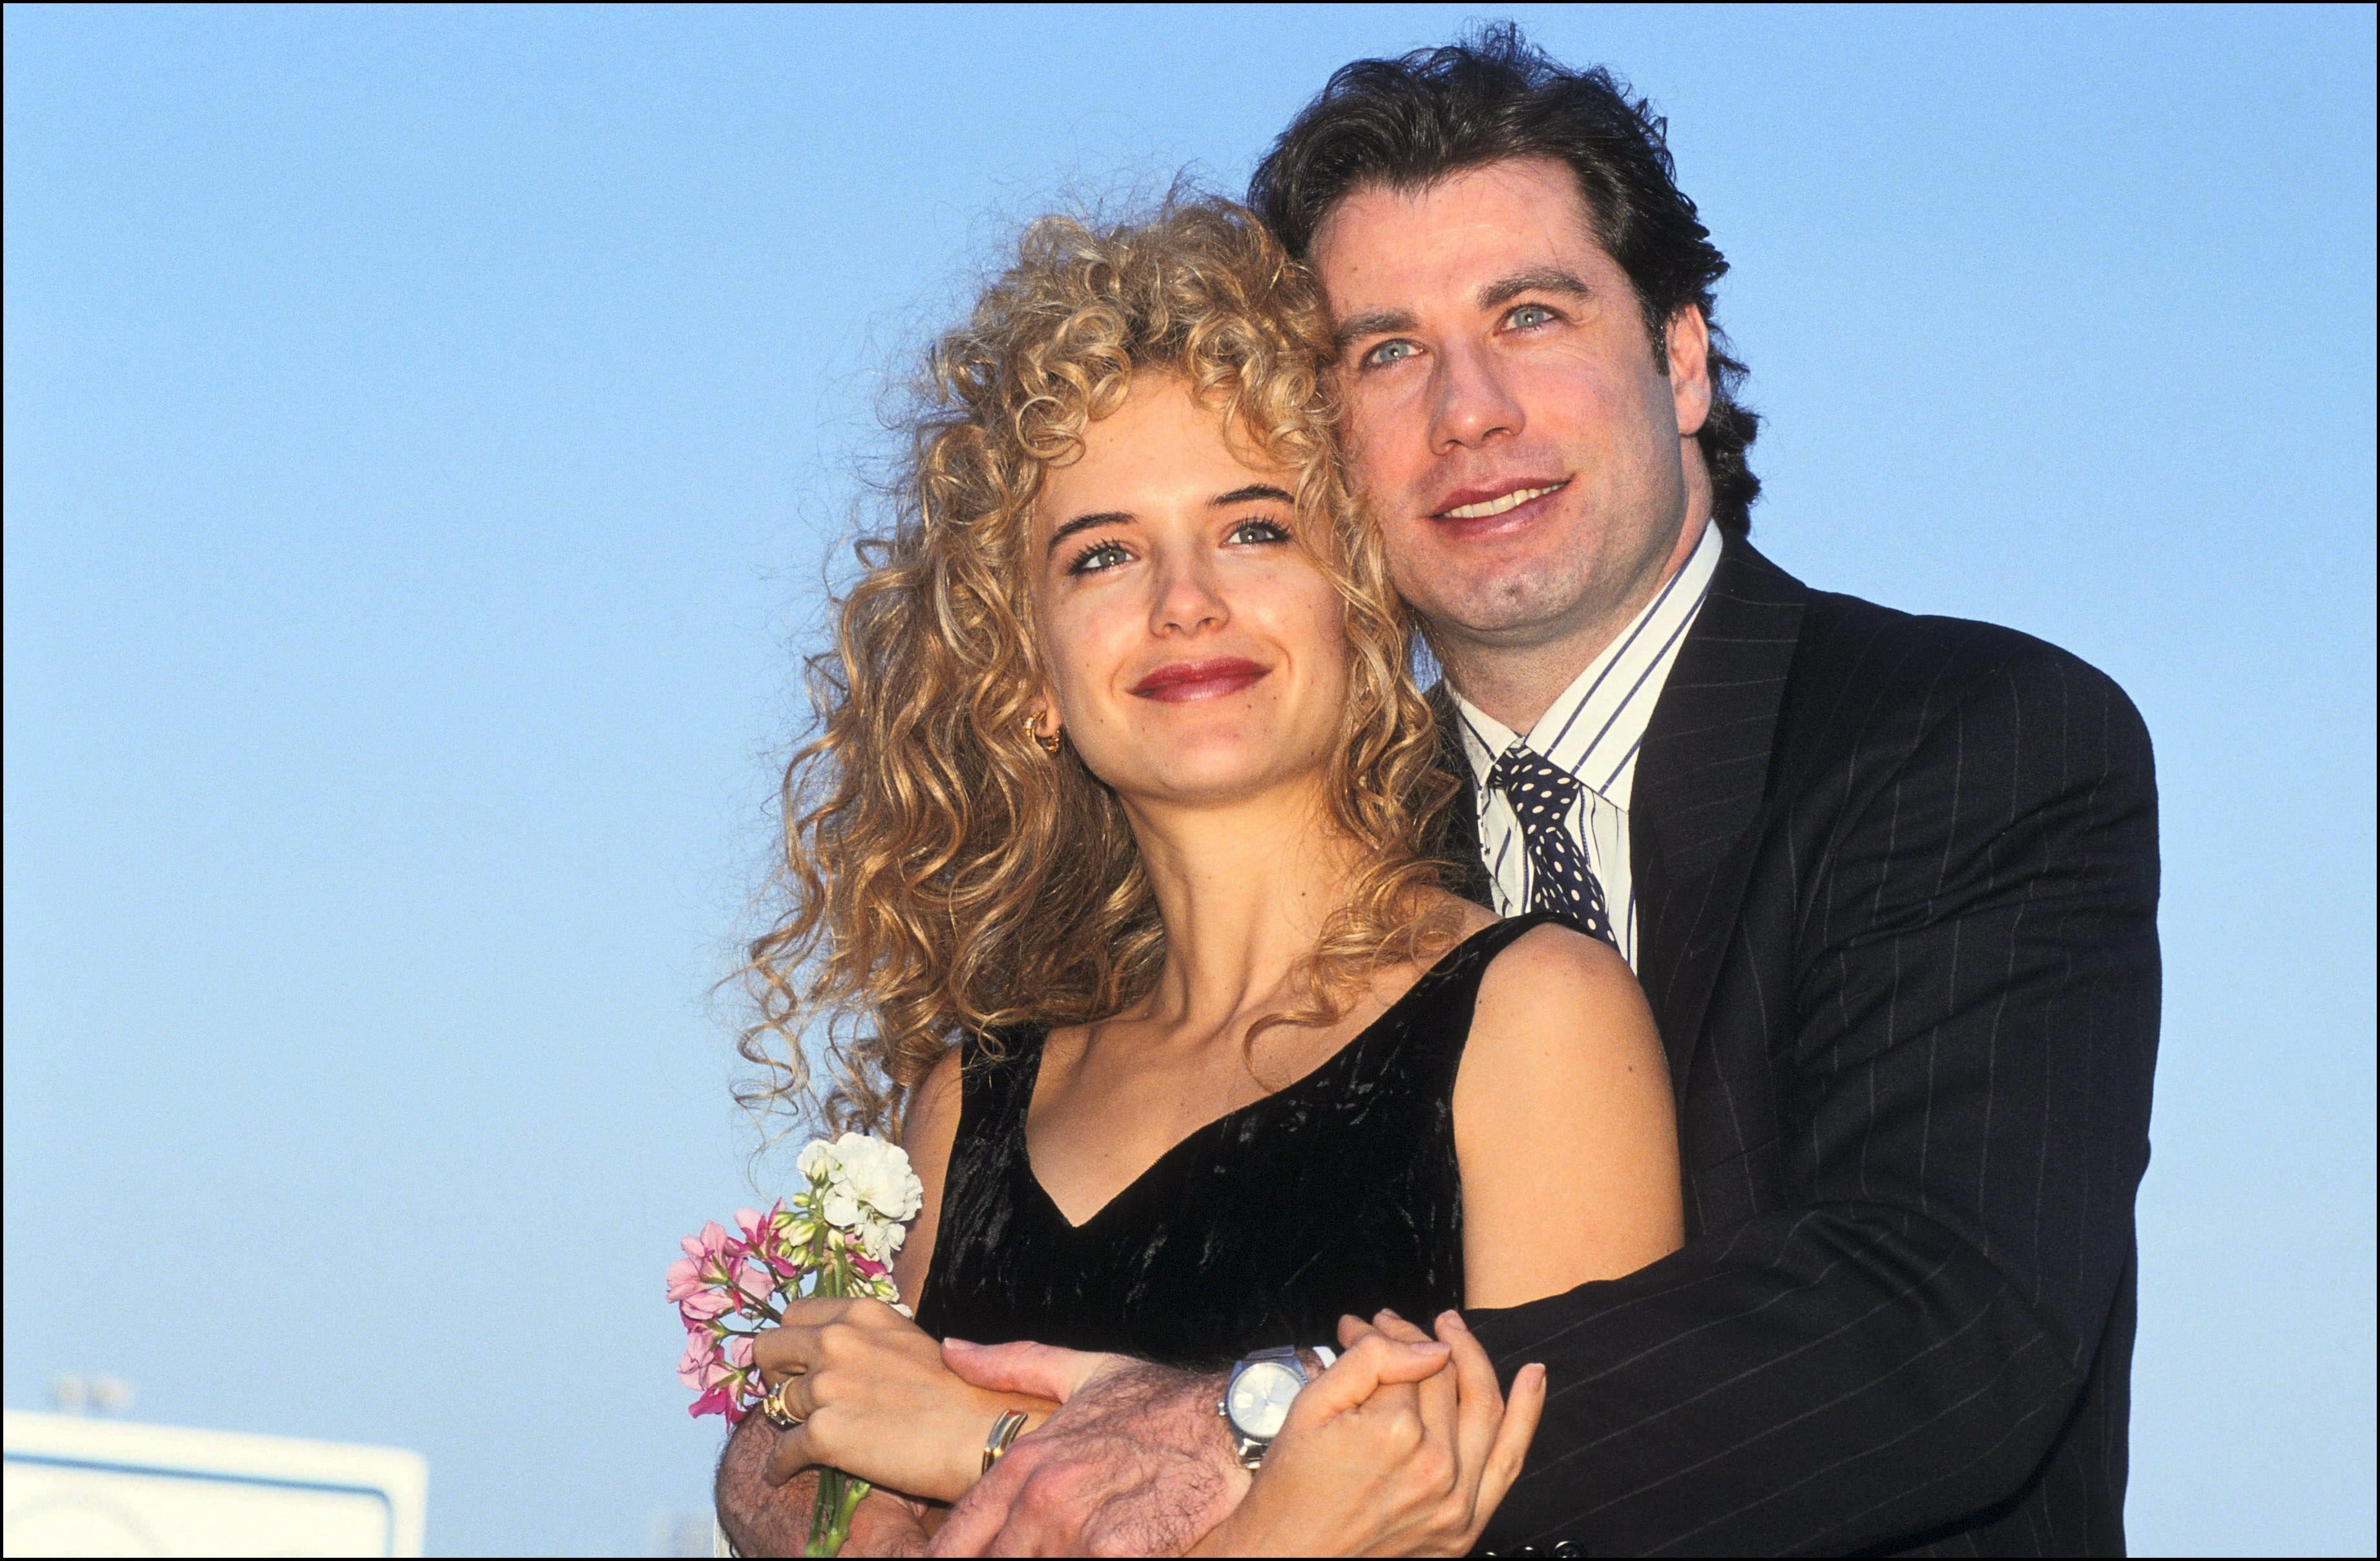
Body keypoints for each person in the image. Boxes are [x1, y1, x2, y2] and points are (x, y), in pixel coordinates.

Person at [758, 26, 2161, 1558]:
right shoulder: (1298, 849)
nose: (1468, 408)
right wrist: (801, 1463)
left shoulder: (1964, 740)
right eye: (1385, 349)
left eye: (1531, 314)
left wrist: (1249, 1428)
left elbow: (1943, 1329)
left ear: (1682, 356)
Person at [711, 198, 1690, 1556]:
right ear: (1023, 670)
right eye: (1101, 552)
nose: (1185, 599)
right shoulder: (965, 1109)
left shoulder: (1535, 1021)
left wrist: (981, 1440)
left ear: (1357, 600)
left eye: (1252, 529)